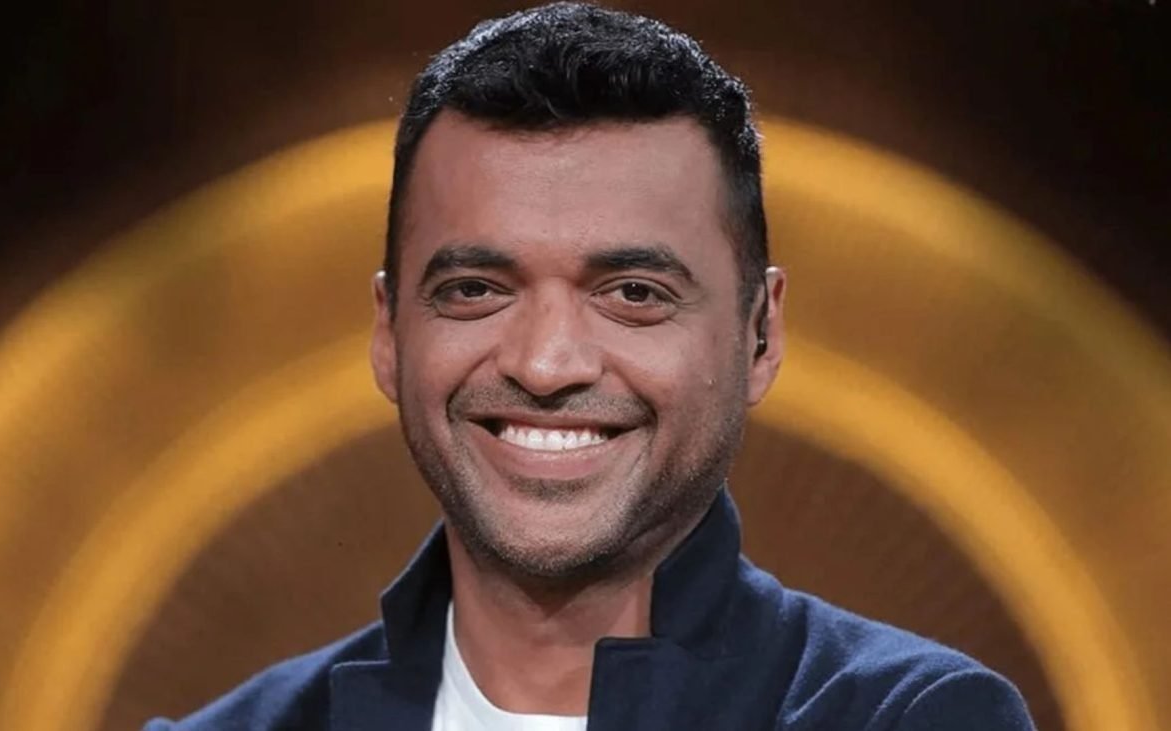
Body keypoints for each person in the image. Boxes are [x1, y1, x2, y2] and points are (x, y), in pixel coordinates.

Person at [146, 3, 1036, 729]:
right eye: (474, 290)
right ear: (389, 334)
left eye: (634, 293)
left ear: (760, 334)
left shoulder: (913, 717)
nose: (544, 364)